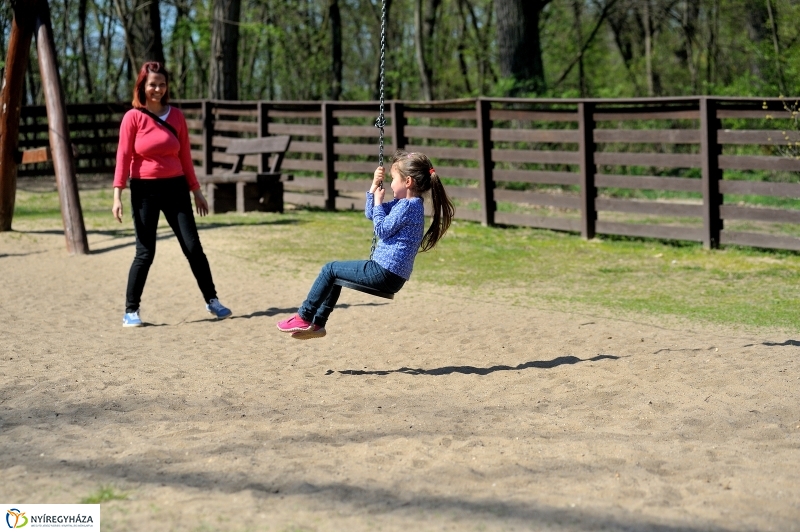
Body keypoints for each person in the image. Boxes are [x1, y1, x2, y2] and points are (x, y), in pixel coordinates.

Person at [277, 150, 454, 339]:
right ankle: (318, 324)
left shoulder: (407, 207)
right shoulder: (405, 204)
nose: (391, 183)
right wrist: (373, 188)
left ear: (408, 182)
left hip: (384, 272)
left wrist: (378, 203)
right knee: (335, 275)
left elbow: (381, 229)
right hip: (391, 275)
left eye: (393, 178)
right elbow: (371, 214)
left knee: (329, 269)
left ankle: (304, 316)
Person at [112, 61, 231, 327]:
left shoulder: (176, 116)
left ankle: (212, 300)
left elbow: (185, 156)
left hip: (176, 187)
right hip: (144, 189)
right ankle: (131, 311)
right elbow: (123, 156)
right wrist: (117, 194)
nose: (157, 89)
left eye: (162, 84)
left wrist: (196, 191)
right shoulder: (133, 117)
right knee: (145, 252)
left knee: (193, 247)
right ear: (142, 85)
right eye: (152, 84)